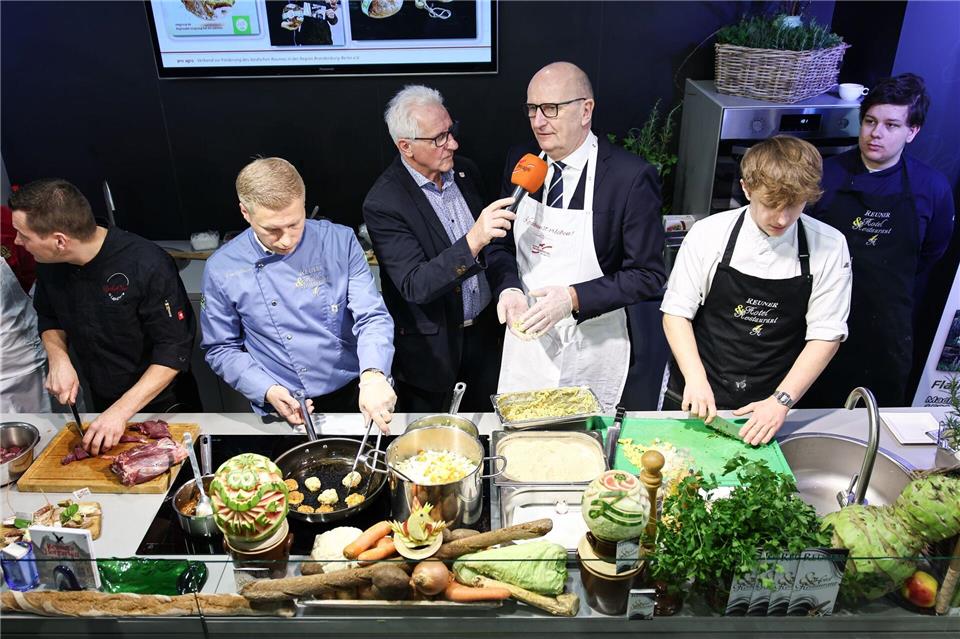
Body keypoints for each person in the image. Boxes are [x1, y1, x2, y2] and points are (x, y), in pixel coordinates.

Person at [496, 61, 666, 412]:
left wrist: (572, 298)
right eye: (532, 109)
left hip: (591, 344)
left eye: (551, 109)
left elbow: (648, 276)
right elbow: (500, 244)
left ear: (586, 109)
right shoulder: (522, 161)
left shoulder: (629, 177)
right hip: (526, 344)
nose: (538, 121)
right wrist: (509, 289)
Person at [661, 136, 852, 444]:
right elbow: (676, 313)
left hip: (773, 396)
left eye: (794, 205)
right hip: (700, 381)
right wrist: (695, 379)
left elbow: (826, 335)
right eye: (770, 204)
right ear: (746, 189)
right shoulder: (708, 234)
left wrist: (782, 401)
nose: (782, 218)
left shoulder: (829, 245)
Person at [202, 157, 397, 432]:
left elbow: (372, 317)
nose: (286, 240)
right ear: (245, 212)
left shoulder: (339, 242)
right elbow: (221, 347)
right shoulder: (222, 268)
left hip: (354, 390)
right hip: (281, 403)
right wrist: (265, 389)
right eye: (271, 230)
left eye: (295, 224)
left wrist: (374, 375)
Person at [9, 180, 201, 453]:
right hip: (103, 400)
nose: (17, 242)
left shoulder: (147, 263)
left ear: (60, 241)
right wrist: (58, 357)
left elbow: (174, 350)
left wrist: (121, 411)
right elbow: (49, 315)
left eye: (24, 236)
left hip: (164, 406)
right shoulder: (50, 264)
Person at [362, 85, 521, 413]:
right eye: (439, 138)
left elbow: (493, 249)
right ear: (406, 146)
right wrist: (473, 239)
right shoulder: (384, 202)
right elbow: (415, 285)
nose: (453, 143)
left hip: (486, 340)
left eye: (451, 131)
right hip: (433, 356)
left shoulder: (465, 172)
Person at [806, 73, 956, 407]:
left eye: (891, 125)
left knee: (871, 426)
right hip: (817, 322)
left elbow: (933, 252)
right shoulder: (824, 174)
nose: (876, 133)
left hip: (885, 334)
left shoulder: (932, 188)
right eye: (870, 121)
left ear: (912, 132)